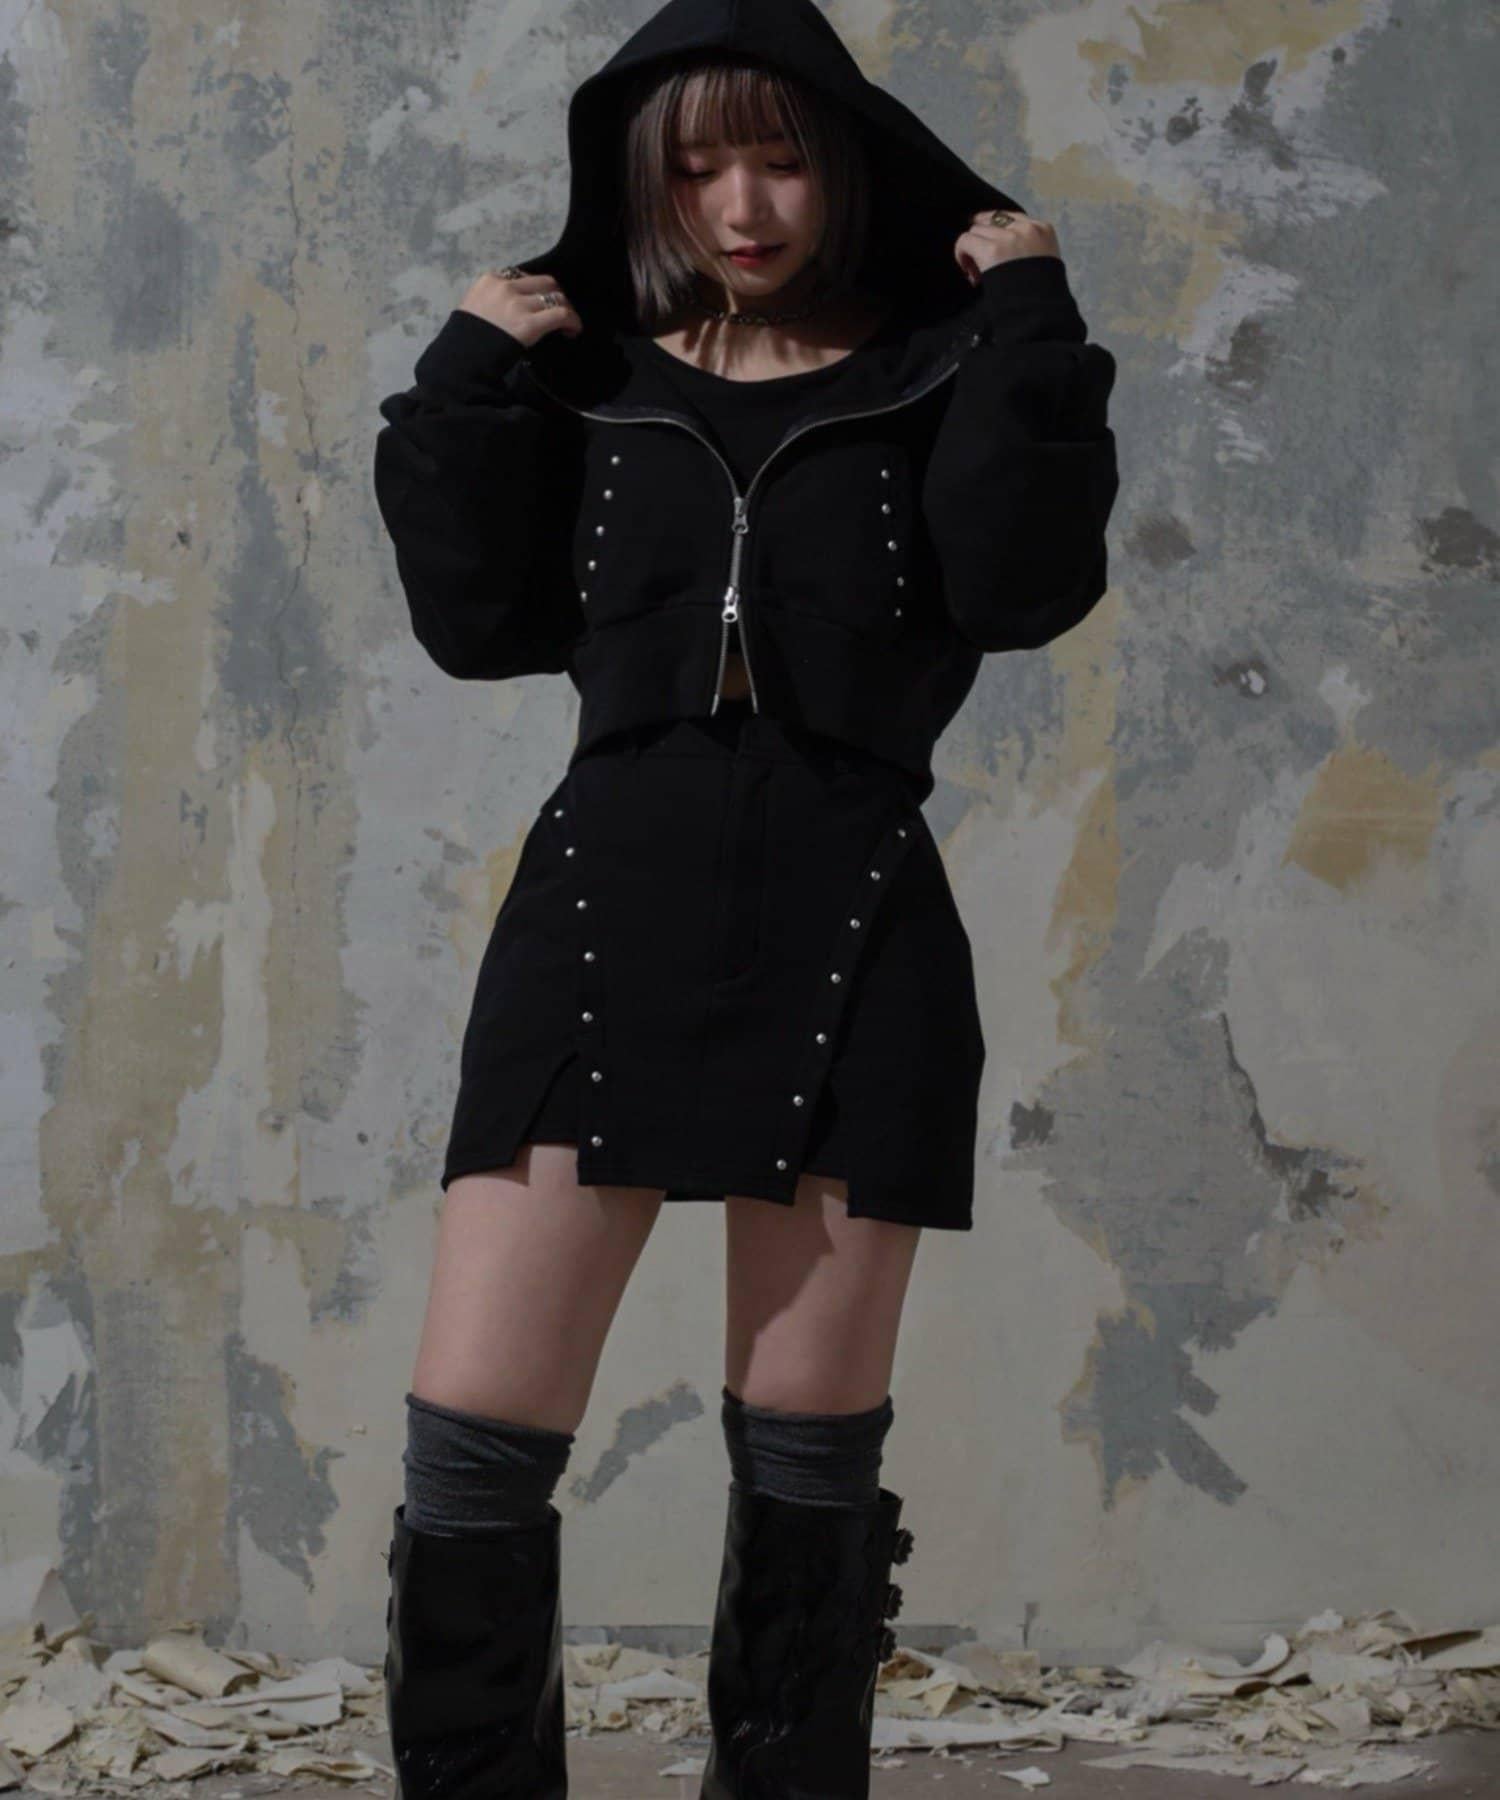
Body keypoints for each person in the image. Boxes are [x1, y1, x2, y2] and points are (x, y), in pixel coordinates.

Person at [372, 0, 1119, 1793]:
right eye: (697, 166)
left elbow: (1018, 589)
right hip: (595, 914)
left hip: (852, 912)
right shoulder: (594, 378)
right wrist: (465, 374)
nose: (740, 205)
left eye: (779, 159)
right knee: (474, 1452)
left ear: (844, 168)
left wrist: (1030, 318)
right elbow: (476, 623)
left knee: (806, 1457)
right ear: (648, 180)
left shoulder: (937, 371)